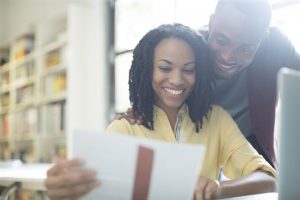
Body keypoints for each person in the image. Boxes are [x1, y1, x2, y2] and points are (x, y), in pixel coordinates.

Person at [45, 23, 276, 200]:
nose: (176, 80)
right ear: (147, 70)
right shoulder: (124, 128)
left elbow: (268, 179)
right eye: (165, 68)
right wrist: (68, 190)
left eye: (188, 70)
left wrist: (219, 189)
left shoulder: (216, 120)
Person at [118, 0, 300, 169]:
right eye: (221, 41)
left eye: (244, 49)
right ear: (211, 23)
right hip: (197, 148)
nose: (227, 57)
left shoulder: (277, 47)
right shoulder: (188, 49)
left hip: (252, 146)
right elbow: (156, 86)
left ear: (262, 39)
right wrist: (140, 110)